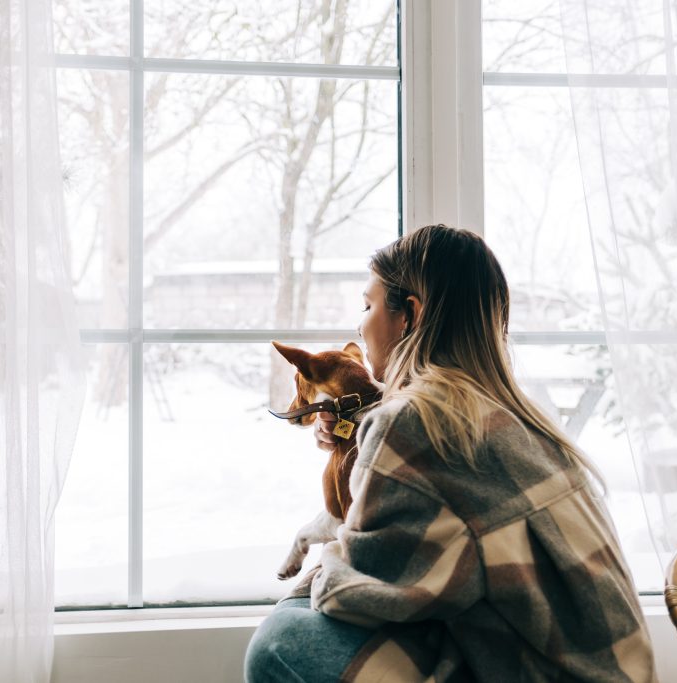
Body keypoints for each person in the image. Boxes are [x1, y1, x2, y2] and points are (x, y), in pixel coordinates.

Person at [245, 224, 656, 682]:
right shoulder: (513, 414)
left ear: (410, 314)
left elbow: (358, 598)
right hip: (612, 670)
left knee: (281, 638)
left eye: (367, 306)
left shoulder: (413, 422)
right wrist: (358, 447)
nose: (359, 326)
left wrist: (324, 564)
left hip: (544, 673)